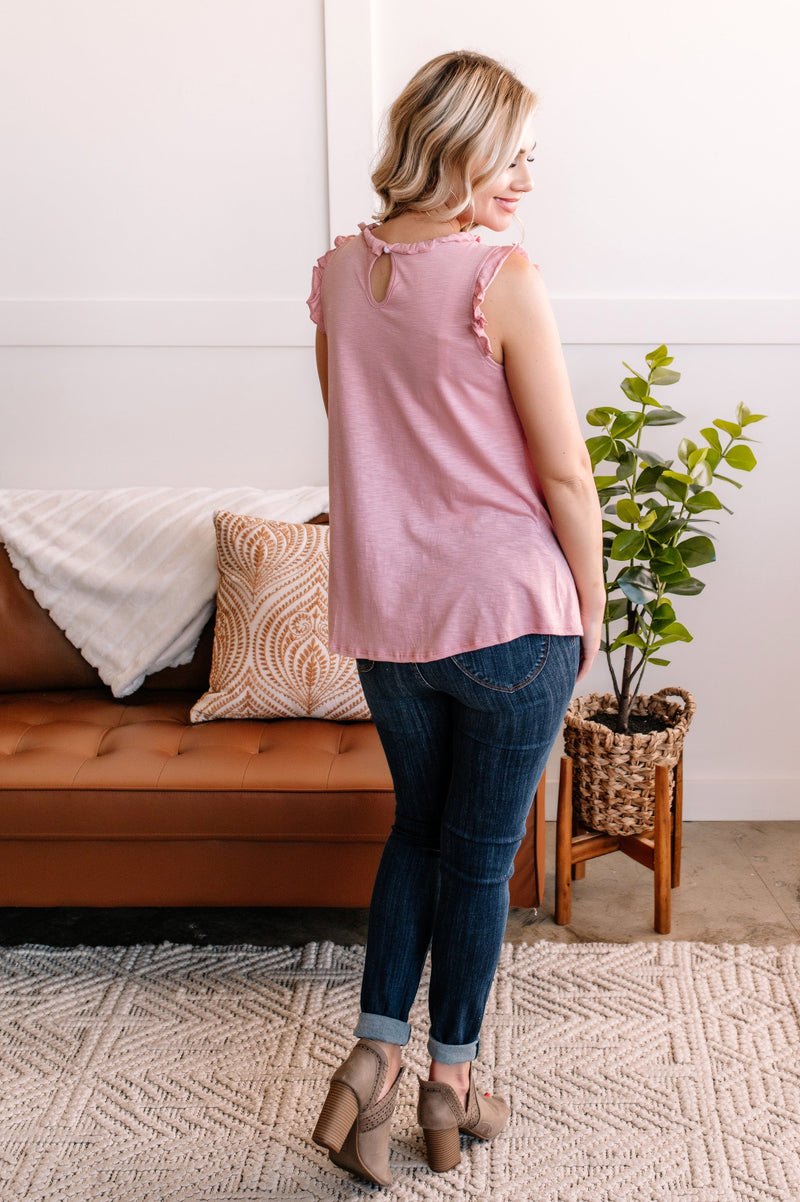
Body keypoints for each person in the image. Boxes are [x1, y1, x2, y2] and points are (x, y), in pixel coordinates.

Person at [307, 50, 604, 1187]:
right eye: (514, 151)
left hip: (389, 622)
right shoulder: (501, 272)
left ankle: (370, 1061)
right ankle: (451, 1083)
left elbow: (361, 438)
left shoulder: (336, 272)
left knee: (415, 835)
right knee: (480, 864)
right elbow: (565, 478)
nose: (526, 174)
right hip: (506, 616)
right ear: (462, 143)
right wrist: (585, 609)